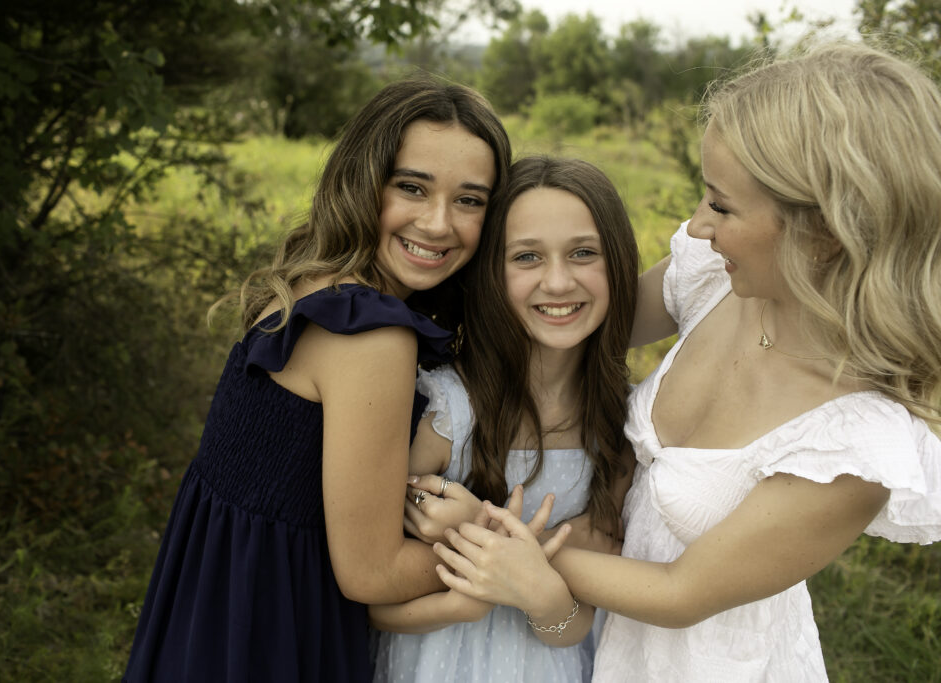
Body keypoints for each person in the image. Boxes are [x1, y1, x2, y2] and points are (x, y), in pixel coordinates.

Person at [432, 41, 941, 681]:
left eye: (722, 206)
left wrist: (500, 539)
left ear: (825, 231)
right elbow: (571, 325)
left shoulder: (855, 440)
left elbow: (680, 593)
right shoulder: (718, 280)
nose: (698, 226)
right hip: (611, 643)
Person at [123, 75, 511, 682]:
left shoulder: (314, 280)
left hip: (214, 610)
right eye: (411, 187)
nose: (438, 224)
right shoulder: (372, 335)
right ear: (363, 180)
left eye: (470, 200)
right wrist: (507, 553)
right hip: (276, 630)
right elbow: (371, 572)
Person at [369, 156, 638, 682]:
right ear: (491, 272)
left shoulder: (619, 427)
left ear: (620, 266)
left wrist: (526, 580)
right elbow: (368, 596)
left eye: (583, 253)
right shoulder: (447, 413)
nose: (558, 282)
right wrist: (468, 594)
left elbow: (574, 622)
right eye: (527, 257)